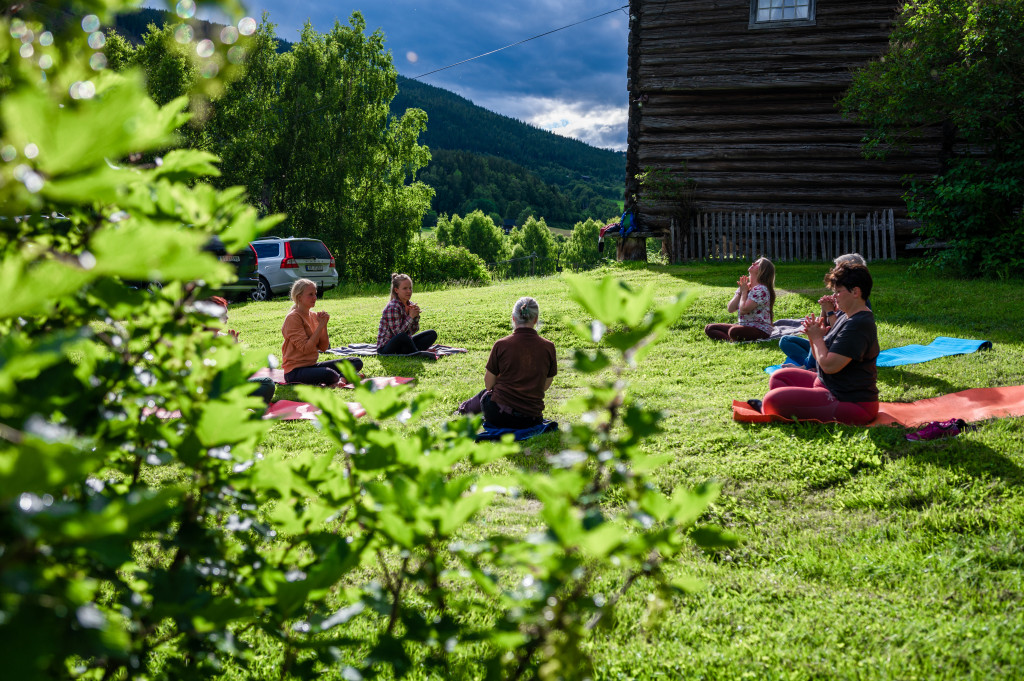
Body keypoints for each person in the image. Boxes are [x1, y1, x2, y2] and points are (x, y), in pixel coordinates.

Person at [755, 262, 879, 425]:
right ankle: (801, 404)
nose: (835, 297)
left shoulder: (859, 324)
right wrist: (814, 337)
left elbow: (829, 366)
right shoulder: (846, 315)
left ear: (855, 292)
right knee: (779, 377)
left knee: (772, 401)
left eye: (838, 292)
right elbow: (819, 357)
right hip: (826, 384)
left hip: (849, 401)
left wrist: (818, 338)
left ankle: (784, 406)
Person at [458, 297, 557, 429]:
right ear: (536, 319)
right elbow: (544, 385)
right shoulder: (549, 347)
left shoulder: (501, 345)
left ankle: (464, 409)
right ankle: (464, 408)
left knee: (485, 395)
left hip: (500, 416)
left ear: (514, 318)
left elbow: (488, 384)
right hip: (532, 418)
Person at [779, 253, 870, 370]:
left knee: (822, 340)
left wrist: (830, 312)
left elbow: (841, 332)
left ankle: (808, 367)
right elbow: (825, 326)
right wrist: (824, 310)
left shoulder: (855, 301)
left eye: (838, 269)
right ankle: (810, 365)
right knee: (786, 340)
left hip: (838, 348)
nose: (834, 273)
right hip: (830, 346)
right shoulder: (844, 296)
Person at [281, 279, 362, 385]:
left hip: (311, 366)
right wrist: (320, 326)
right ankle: (343, 377)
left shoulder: (313, 316)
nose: (315, 297)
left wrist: (324, 325)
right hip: (294, 372)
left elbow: (324, 347)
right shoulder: (293, 318)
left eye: (315, 294)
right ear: (299, 297)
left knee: (356, 362)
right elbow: (306, 349)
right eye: (310, 294)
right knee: (329, 374)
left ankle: (343, 378)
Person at [705, 257, 776, 342]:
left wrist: (744, 292)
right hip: (744, 327)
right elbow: (730, 309)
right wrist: (740, 292)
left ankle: (733, 339)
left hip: (760, 330)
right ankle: (732, 340)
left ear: (763, 271)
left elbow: (743, 310)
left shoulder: (761, 289)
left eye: (758, 264)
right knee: (709, 328)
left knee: (734, 331)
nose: (753, 263)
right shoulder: (745, 286)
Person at [377, 273, 438, 356]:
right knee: (403, 336)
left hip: (403, 344)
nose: (409, 291)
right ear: (396, 290)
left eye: (410, 288)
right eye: (405, 288)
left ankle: (413, 350)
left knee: (431, 334)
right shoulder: (393, 307)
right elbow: (398, 334)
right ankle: (416, 352)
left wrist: (416, 317)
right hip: (386, 347)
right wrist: (410, 317)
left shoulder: (410, 304)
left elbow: (413, 330)